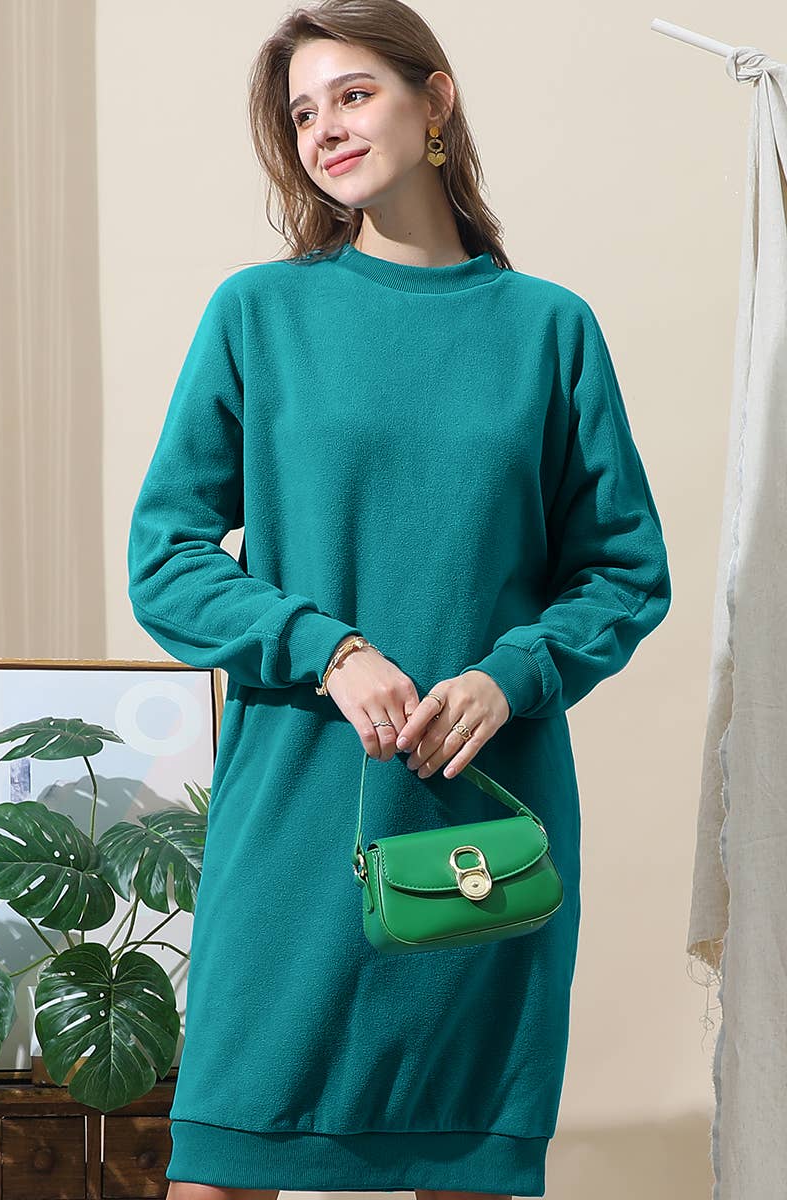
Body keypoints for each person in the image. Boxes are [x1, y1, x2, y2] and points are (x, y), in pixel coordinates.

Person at [126, 1, 672, 1197]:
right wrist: (325, 650)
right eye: (301, 113)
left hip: (479, 825)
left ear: (434, 100)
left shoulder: (548, 331)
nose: (323, 128)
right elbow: (164, 556)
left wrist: (509, 676)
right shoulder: (257, 315)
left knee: (463, 1166)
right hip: (295, 815)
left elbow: (625, 570)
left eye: (352, 93)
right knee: (220, 1164)